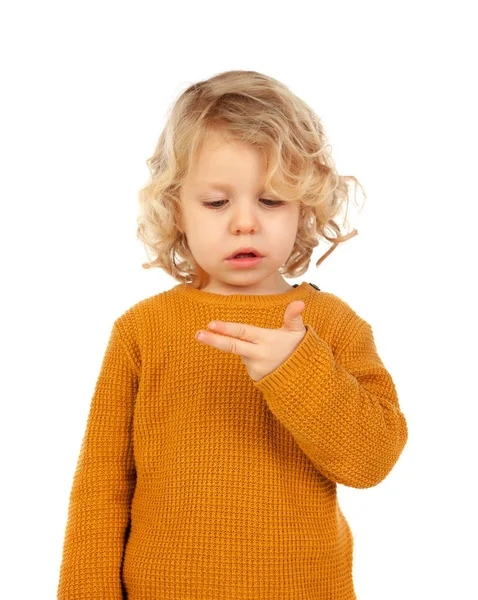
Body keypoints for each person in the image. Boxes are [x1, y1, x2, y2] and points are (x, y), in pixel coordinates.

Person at [57, 70, 408, 600]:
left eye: (270, 201)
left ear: (304, 208)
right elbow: (100, 492)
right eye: (217, 203)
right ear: (176, 208)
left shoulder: (332, 323)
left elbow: (372, 460)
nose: (245, 222)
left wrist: (299, 372)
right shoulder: (142, 331)